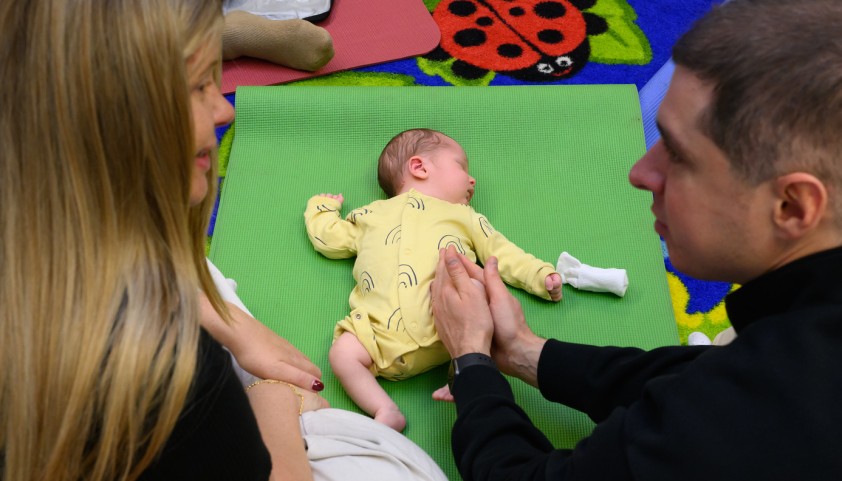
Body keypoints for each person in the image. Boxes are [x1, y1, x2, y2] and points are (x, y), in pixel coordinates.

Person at [1, 1, 445, 480]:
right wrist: (275, 399)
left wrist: (223, 317)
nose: (224, 109)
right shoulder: (174, 369)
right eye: (197, 88)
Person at [429, 0, 842, 479]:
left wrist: (472, 364)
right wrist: (525, 351)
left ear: (792, 206)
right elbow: (701, 373)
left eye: (679, 155)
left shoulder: (756, 418)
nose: (640, 173)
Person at [304, 128, 562, 431]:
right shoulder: (371, 215)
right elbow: (331, 240)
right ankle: (384, 408)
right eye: (461, 166)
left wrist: (538, 275)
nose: (472, 180)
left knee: (476, 289)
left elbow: (501, 253)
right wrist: (322, 209)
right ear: (420, 167)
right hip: (377, 334)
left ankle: (467, 371)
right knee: (342, 353)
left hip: (452, 325)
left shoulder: (465, 216)